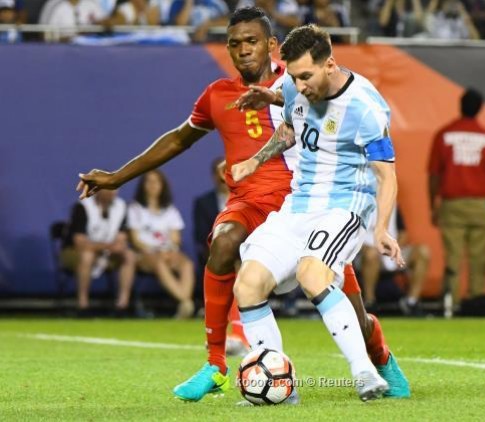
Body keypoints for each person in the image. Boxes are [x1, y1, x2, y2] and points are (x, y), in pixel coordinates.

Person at [77, 7, 406, 403]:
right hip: (260, 204)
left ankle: (378, 359)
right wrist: (117, 176)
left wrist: (380, 226)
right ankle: (218, 366)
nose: (243, 50)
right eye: (234, 44)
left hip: (312, 203)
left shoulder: (302, 83)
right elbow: (179, 139)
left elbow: (359, 153)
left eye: (251, 41)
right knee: (226, 247)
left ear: (271, 45)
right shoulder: (222, 94)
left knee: (347, 306)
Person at [230, 23, 410, 402]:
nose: (299, 85)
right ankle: (279, 388)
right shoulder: (294, 86)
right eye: (294, 77)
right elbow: (290, 129)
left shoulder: (365, 108)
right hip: (298, 206)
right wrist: (255, 160)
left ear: (330, 64)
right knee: (247, 283)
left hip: (344, 206)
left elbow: (387, 175)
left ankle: (365, 373)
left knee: (312, 274)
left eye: (306, 76)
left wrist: (381, 229)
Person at [428, 87, 485, 312]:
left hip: (452, 205)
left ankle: (451, 303)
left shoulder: (444, 134)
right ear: (480, 109)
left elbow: (434, 175)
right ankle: (476, 304)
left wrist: (433, 205)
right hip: (481, 205)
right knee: (479, 258)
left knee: (453, 257)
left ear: (460, 106)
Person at [193, 158, 249, 355]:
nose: (224, 177)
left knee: (241, 268)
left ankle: (241, 336)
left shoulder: (251, 197)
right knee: (229, 262)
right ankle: (234, 338)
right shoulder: (204, 202)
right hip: (220, 254)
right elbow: (201, 235)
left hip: (253, 252)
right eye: (221, 172)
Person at [128, 170, 196, 319]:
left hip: (168, 252)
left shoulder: (170, 210)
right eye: (149, 181)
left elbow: (175, 238)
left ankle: (184, 303)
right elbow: (135, 240)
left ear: (162, 185)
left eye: (156, 181)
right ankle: (185, 301)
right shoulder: (135, 209)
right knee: (159, 262)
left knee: (187, 264)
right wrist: (155, 250)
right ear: (143, 185)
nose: (153, 185)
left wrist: (169, 250)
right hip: (145, 254)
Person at [61, 190, 136, 316]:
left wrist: (117, 246)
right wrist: (106, 246)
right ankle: (83, 305)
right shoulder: (82, 206)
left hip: (106, 254)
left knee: (129, 255)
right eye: (107, 188)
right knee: (87, 255)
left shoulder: (121, 206)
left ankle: (122, 306)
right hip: (75, 252)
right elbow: (80, 242)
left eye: (114, 188)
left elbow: (121, 237)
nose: (111, 192)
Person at [360, 203, 429, 316]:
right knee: (371, 254)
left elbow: (403, 233)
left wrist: (394, 248)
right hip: (365, 252)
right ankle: (369, 303)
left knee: (422, 252)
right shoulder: (360, 202)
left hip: (391, 250)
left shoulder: (390, 203)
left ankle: (411, 302)